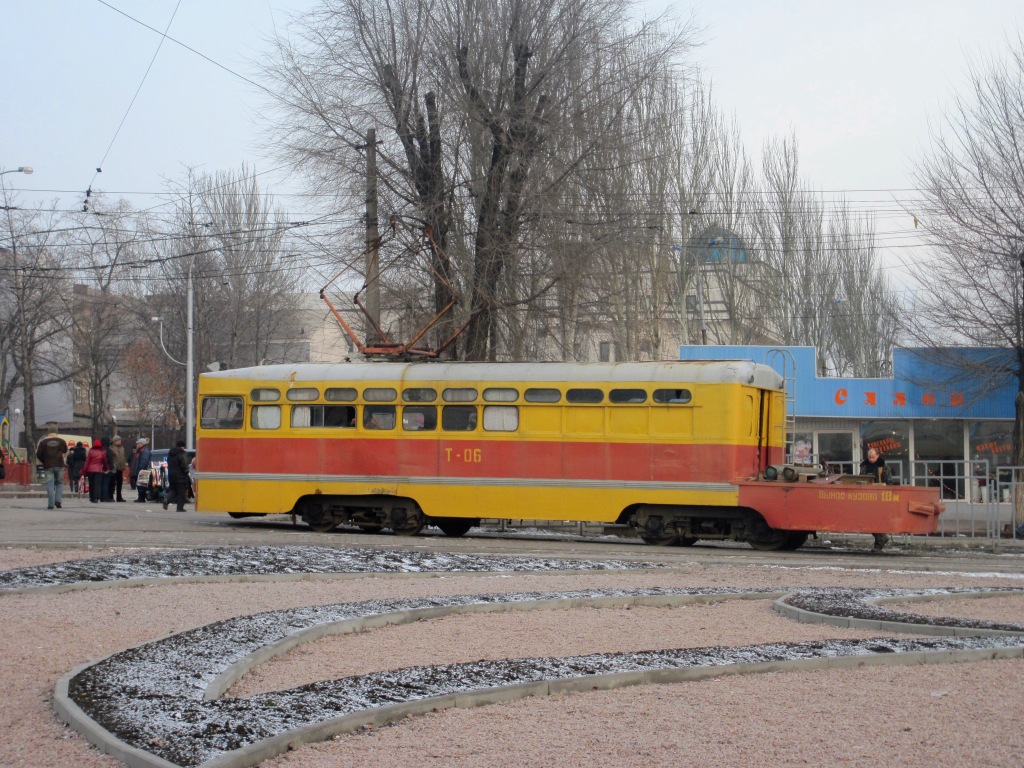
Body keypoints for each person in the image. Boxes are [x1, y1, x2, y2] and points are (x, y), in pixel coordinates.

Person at [860, 447, 891, 550]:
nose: (871, 459)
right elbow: (860, 479)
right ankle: (881, 538)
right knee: (868, 520)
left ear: (877, 456)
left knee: (877, 520)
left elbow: (889, 482)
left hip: (879, 497)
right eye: (869, 457)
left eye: (873, 457)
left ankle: (879, 542)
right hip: (866, 497)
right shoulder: (864, 465)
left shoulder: (884, 467)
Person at [35, 425, 68, 510]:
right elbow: (65, 450)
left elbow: (38, 454)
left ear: (48, 432)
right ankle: (58, 501)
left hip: (48, 466)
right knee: (59, 483)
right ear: (56, 432)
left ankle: (51, 504)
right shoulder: (61, 441)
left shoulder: (43, 442)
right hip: (59, 465)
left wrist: (44, 461)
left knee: (50, 484)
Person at [164, 439, 191, 512]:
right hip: (180, 476)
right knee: (181, 492)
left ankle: (167, 499)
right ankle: (180, 508)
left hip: (171, 476)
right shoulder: (180, 454)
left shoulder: (170, 454)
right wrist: (186, 471)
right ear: (182, 446)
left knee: (173, 490)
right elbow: (183, 465)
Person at [83, 440, 110, 504]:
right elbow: (105, 461)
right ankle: (96, 497)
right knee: (97, 484)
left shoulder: (90, 451)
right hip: (98, 470)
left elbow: (87, 462)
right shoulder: (102, 452)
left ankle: (91, 497)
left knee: (91, 484)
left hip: (90, 470)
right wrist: (105, 468)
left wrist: (84, 470)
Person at [130, 438, 151, 503]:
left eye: (139, 443)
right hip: (139, 470)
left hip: (142, 471)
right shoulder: (140, 451)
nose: (138, 445)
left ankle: (141, 498)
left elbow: (144, 461)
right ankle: (140, 497)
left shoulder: (145, 451)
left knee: (141, 485)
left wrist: (140, 468)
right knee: (139, 485)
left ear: (142, 444)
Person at [110, 435, 128, 502]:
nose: (119, 442)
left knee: (119, 483)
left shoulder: (122, 448)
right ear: (114, 441)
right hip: (114, 468)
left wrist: (124, 466)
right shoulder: (112, 448)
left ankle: (119, 497)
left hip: (120, 468)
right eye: (118, 440)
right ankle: (111, 496)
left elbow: (123, 458)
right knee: (112, 483)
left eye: (120, 440)